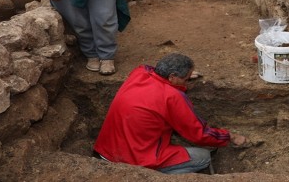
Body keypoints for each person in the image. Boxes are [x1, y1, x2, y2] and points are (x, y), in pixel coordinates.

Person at [93, 53, 249, 174]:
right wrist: (230, 136)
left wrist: (180, 77)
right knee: (204, 157)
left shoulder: (139, 73)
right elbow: (199, 134)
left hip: (105, 150)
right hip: (132, 160)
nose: (187, 82)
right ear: (172, 77)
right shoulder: (171, 97)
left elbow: (148, 68)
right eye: (186, 79)